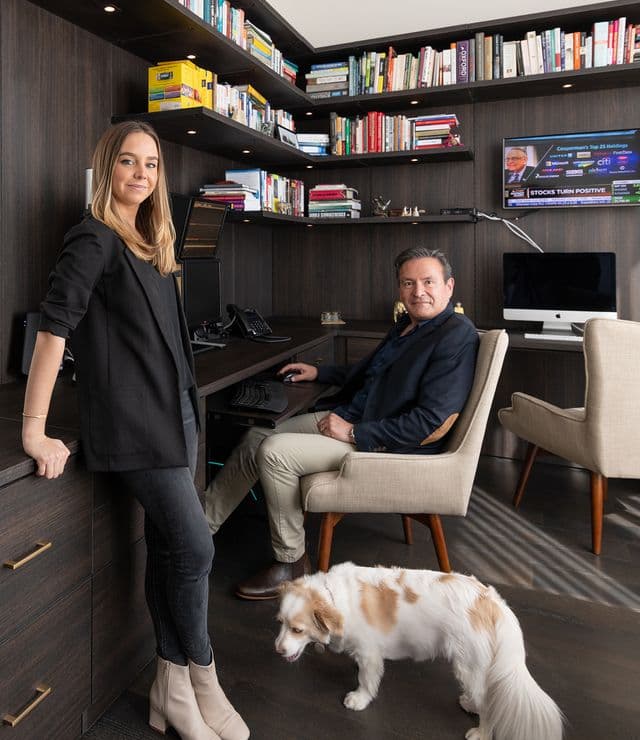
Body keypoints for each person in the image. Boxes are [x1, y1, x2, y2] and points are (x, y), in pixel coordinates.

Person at [21, 121, 249, 740]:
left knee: (170, 547)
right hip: (132, 424)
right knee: (196, 547)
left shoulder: (151, 244)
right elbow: (53, 329)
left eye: (150, 165)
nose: (141, 174)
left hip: (174, 413)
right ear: (107, 169)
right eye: (128, 162)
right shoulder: (93, 238)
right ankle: (201, 673)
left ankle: (168, 692)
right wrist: (35, 430)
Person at [205, 247, 479, 600]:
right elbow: (372, 373)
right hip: (356, 417)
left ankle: (290, 564)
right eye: (408, 283)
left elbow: (431, 422)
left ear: (449, 286)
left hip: (382, 439)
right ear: (399, 288)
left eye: (428, 282)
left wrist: (353, 432)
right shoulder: (407, 326)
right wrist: (321, 372)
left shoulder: (455, 335)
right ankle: (200, 530)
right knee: (258, 436)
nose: (418, 292)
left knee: (274, 453)